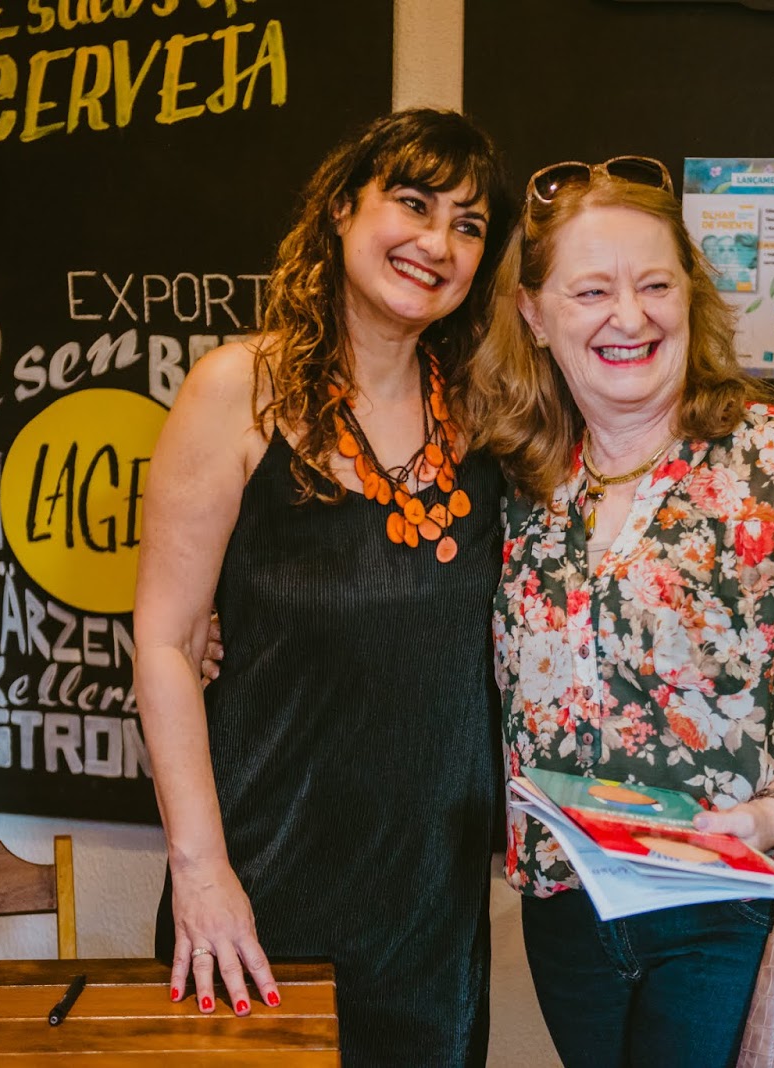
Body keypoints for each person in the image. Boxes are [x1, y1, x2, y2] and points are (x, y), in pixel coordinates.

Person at [459, 156, 774, 1068]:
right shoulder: (520, 483)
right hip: (574, 919)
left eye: (655, 285)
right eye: (591, 290)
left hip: (751, 906)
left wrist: (770, 816)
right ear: (534, 314)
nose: (629, 316)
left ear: (691, 295)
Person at [132, 108, 511, 1067]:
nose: (437, 243)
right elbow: (167, 645)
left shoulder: (488, 413)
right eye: (413, 204)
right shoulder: (237, 389)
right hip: (261, 884)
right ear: (343, 207)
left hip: (430, 913)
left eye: (468, 225)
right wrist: (200, 875)